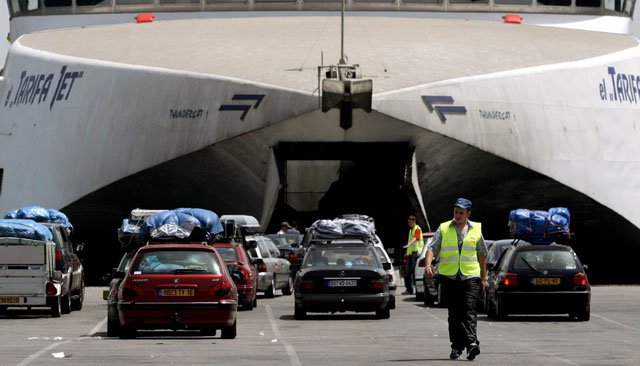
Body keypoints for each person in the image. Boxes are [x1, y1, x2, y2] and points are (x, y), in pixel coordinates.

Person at [425, 198, 487, 361]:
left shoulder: (476, 229)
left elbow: (482, 254)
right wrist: (428, 265)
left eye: (461, 212)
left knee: (468, 310)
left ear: (468, 213)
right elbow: (432, 248)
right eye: (456, 212)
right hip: (449, 276)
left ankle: (472, 344)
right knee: (454, 313)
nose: (458, 215)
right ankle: (456, 346)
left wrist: (483, 277)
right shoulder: (444, 228)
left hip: (470, 275)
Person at [402, 214, 424, 295]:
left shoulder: (417, 228)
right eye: (408, 222)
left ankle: (417, 290)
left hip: (416, 253)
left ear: (414, 221)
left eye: (410, 222)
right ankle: (409, 289)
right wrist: (406, 252)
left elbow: (416, 238)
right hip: (410, 254)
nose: (409, 223)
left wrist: (409, 244)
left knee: (415, 272)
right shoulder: (411, 230)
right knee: (407, 272)